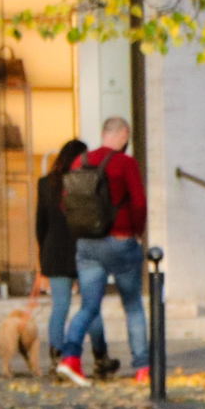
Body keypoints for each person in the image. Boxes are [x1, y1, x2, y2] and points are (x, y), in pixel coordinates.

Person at [55, 116, 151, 387]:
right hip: (121, 242)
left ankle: (70, 357)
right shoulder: (126, 163)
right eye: (126, 137)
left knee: (88, 306)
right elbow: (139, 203)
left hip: (87, 244)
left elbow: (67, 204)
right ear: (123, 135)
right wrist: (137, 231)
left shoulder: (79, 162)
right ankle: (143, 367)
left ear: (102, 133)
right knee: (132, 306)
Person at [34, 139, 110, 380]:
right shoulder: (89, 181)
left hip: (55, 251)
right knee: (91, 307)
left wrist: (42, 252)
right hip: (85, 248)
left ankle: (57, 358)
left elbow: (40, 224)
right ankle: (100, 358)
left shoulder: (45, 184)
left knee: (60, 307)